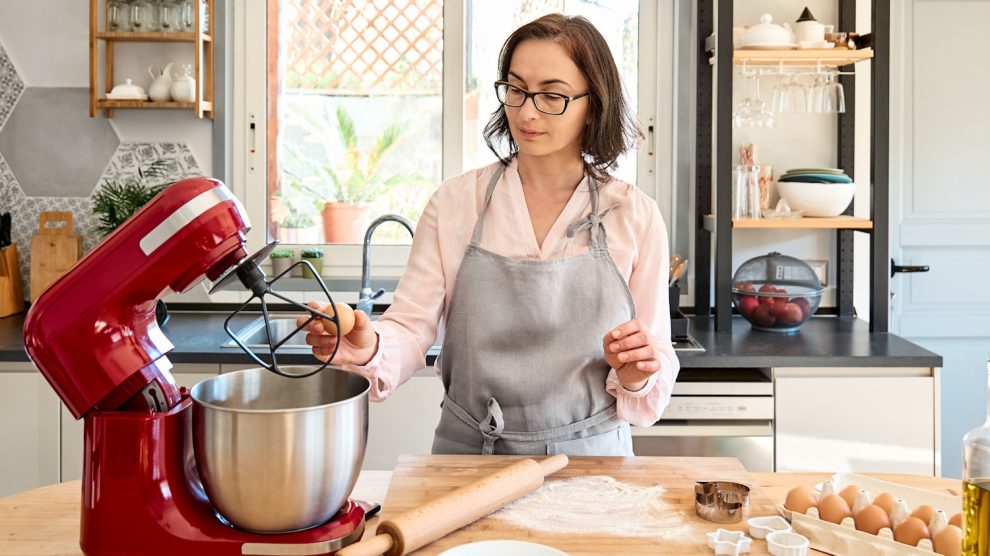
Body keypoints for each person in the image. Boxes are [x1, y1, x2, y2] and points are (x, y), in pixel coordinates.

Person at [300, 13, 680, 456]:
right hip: (470, 461)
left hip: (592, 463)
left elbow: (654, 359)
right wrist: (368, 346)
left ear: (593, 104)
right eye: (516, 90)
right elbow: (409, 328)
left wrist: (637, 373)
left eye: (552, 96)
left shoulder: (634, 215)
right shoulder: (456, 204)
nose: (527, 111)